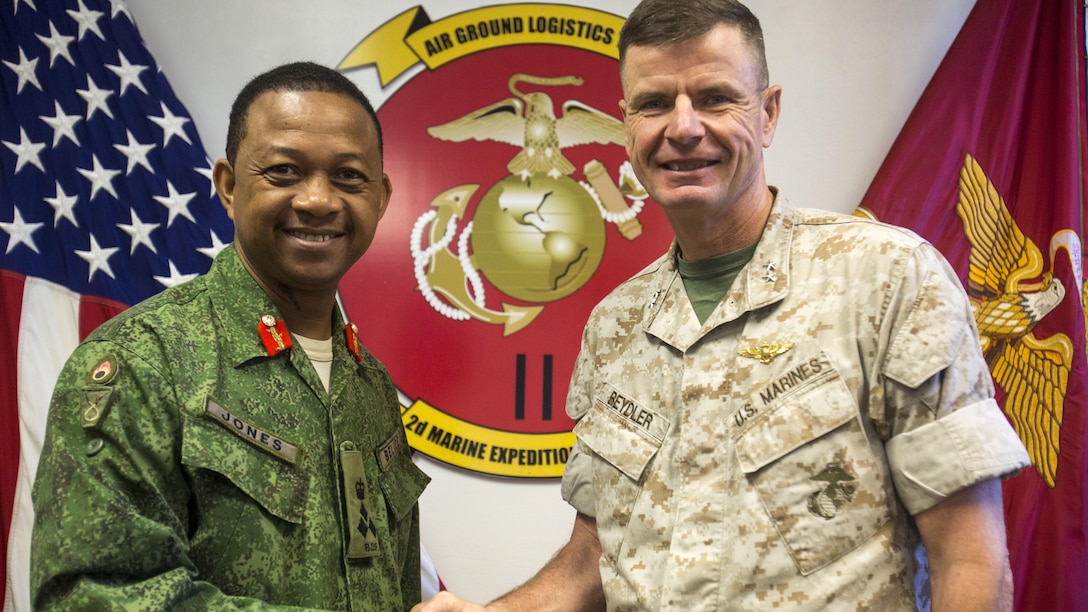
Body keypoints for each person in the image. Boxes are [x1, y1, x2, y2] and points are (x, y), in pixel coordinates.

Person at [414, 1, 1031, 610]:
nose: (682, 127)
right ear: (626, 123)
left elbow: (970, 560)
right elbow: (593, 562)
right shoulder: (615, 325)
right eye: (655, 103)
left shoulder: (886, 278)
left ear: (768, 114)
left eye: (714, 97)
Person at [30, 61, 430, 610]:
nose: (318, 199)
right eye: (285, 171)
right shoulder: (143, 364)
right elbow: (97, 595)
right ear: (229, 186)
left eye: (348, 176)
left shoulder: (370, 387)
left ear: (380, 198)